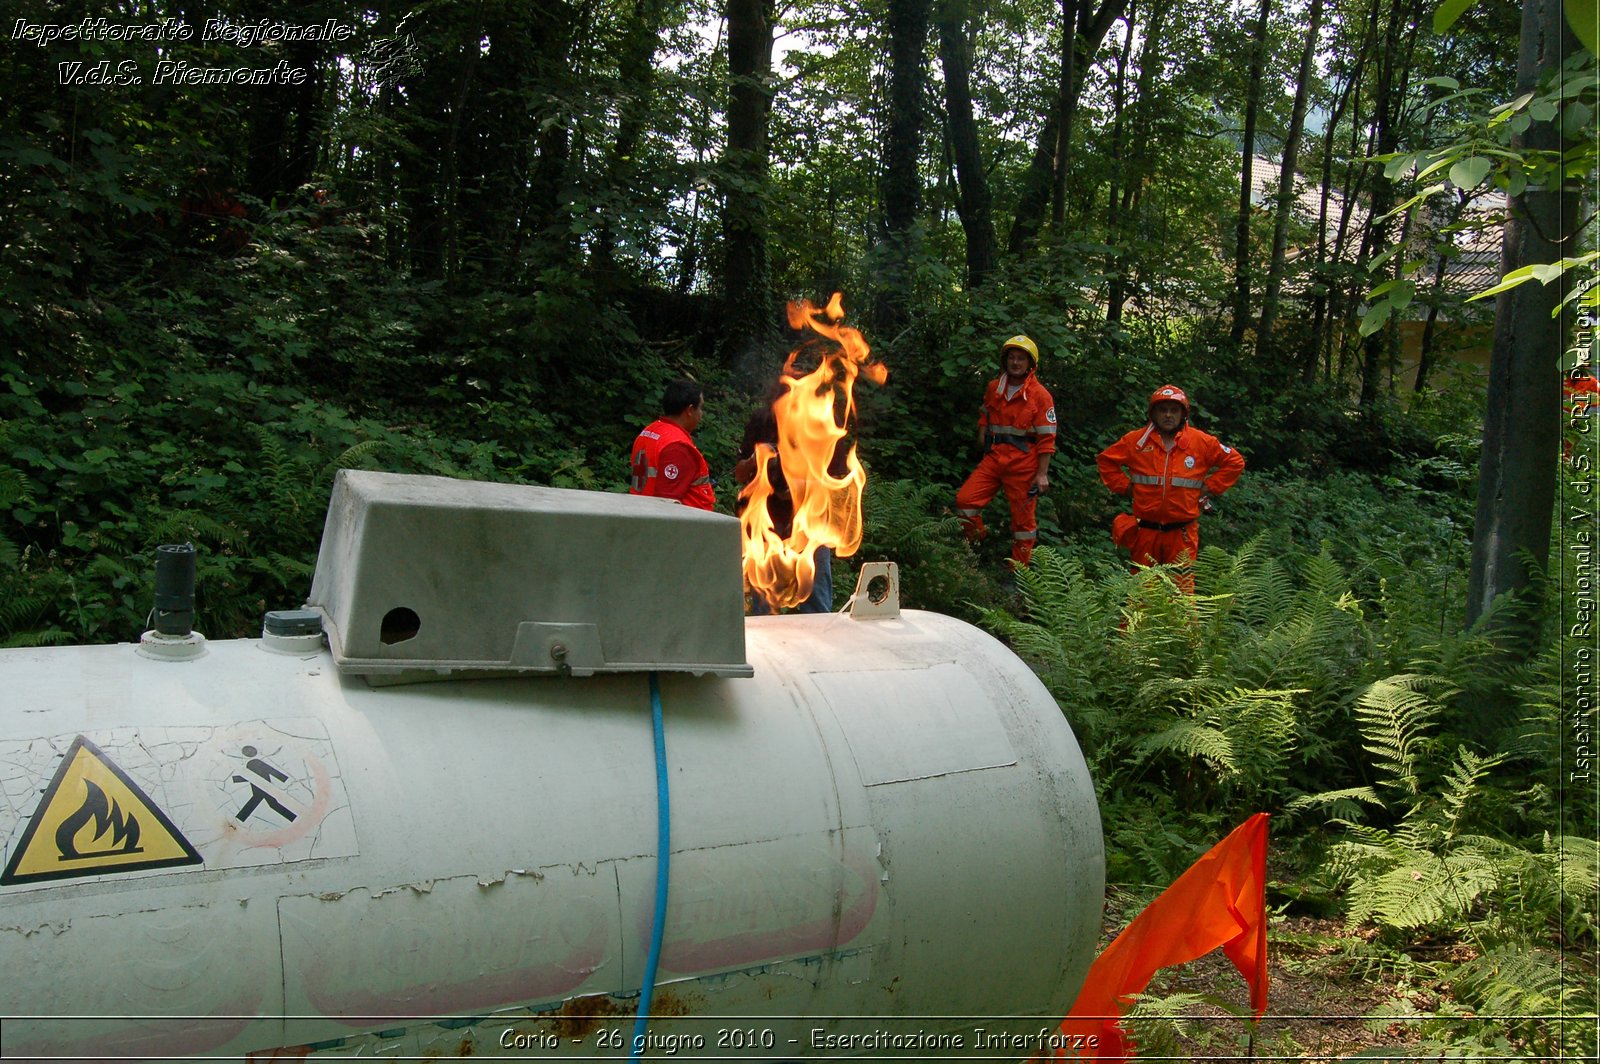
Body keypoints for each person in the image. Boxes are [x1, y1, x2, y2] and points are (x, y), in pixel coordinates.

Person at [1097, 384, 1244, 592]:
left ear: (1183, 414)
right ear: (1153, 413)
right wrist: (1126, 488)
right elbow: (1106, 461)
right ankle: (1138, 626)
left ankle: (1182, 627)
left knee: (1181, 592)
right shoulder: (1136, 441)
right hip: (1146, 531)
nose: (1168, 415)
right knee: (1141, 591)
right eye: (1162, 410)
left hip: (1182, 533)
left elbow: (1235, 462)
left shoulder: (1200, 441)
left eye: (1174, 410)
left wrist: (1209, 486)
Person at [733, 379, 846, 613]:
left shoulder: (822, 426)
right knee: (764, 600)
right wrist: (760, 460)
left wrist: (798, 488)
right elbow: (740, 474)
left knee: (815, 597)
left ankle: (815, 642)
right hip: (764, 521)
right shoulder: (762, 422)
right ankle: (766, 646)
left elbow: (836, 482)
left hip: (809, 522)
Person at [955, 335, 1057, 569]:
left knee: (1023, 524)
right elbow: (986, 413)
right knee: (964, 502)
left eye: (1021, 359)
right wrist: (982, 431)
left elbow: (1047, 438)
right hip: (995, 458)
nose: (1015, 363)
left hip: (1024, 464)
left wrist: (1042, 474)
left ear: (1031, 363)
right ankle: (978, 544)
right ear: (1005, 360)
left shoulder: (1040, 395)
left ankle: (1019, 573)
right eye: (1012, 357)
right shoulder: (994, 387)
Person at [630, 379, 715, 510]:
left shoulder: (650, 431)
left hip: (642, 512)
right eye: (701, 408)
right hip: (686, 525)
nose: (701, 414)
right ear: (690, 410)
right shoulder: (677, 446)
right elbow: (667, 506)